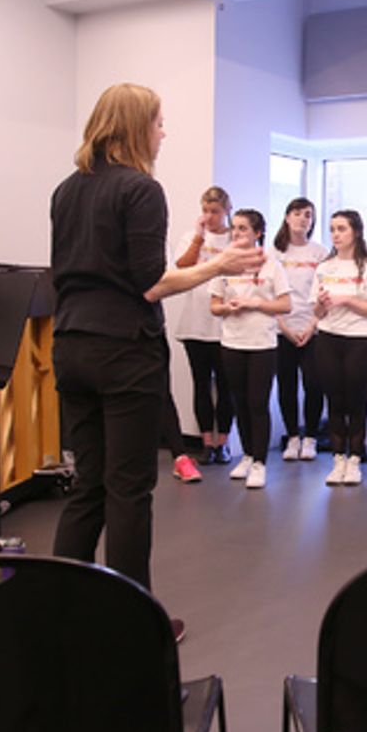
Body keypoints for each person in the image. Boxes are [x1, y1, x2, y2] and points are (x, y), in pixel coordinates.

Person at [50, 83, 257, 643]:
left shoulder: (68, 189)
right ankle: (133, 622)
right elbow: (151, 283)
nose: (164, 132)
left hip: (70, 346)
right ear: (137, 126)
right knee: (128, 489)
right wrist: (221, 266)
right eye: (160, 122)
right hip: (123, 351)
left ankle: (55, 608)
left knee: (88, 484)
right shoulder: (141, 189)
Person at [210, 208, 290, 490]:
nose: (237, 233)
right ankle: (245, 455)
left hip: (261, 344)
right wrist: (227, 308)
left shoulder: (272, 266)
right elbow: (214, 306)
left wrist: (255, 304)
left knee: (258, 404)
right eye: (235, 228)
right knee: (238, 402)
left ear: (257, 233)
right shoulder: (223, 265)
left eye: (244, 228)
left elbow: (285, 305)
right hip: (231, 342)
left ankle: (260, 462)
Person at [311, 210, 367, 485]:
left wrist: (345, 299)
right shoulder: (324, 267)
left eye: (341, 228)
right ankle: (337, 459)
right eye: (332, 229)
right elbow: (317, 313)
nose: (336, 234)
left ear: (355, 231)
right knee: (335, 400)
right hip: (329, 337)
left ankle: (355, 459)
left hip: (360, 340)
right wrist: (322, 303)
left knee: (357, 400)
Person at [172, 186, 235, 466]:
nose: (210, 216)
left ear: (226, 211)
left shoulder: (235, 238)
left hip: (225, 325)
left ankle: (223, 442)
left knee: (226, 385)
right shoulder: (192, 237)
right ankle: (206, 442)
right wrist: (199, 236)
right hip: (195, 323)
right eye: (206, 211)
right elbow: (182, 266)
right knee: (201, 383)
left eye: (215, 211)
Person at [273, 197, 325, 462]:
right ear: (286, 217)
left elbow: (325, 293)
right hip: (282, 329)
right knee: (286, 385)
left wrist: (311, 325)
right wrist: (284, 326)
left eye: (308, 215)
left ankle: (311, 437)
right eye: (297, 213)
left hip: (312, 329)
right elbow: (268, 293)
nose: (303, 218)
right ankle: (292, 437)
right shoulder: (274, 252)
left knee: (314, 384)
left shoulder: (320, 253)